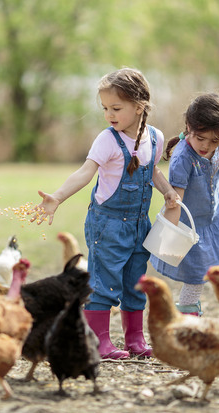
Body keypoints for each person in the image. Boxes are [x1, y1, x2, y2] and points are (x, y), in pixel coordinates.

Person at [33, 68, 179, 359]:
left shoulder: (155, 137)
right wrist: (58, 197)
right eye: (105, 108)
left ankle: (135, 339)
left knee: (135, 282)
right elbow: (85, 172)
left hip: (140, 224)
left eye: (116, 108)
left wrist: (167, 191)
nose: (109, 115)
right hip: (107, 225)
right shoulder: (107, 140)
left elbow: (152, 171)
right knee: (103, 283)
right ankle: (99, 341)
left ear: (139, 107)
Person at [151, 90, 219, 317]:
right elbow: (176, 200)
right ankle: (187, 319)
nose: (206, 146)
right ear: (189, 127)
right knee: (196, 279)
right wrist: (168, 235)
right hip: (193, 231)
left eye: (214, 140)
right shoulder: (183, 158)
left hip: (215, 223)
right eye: (200, 138)